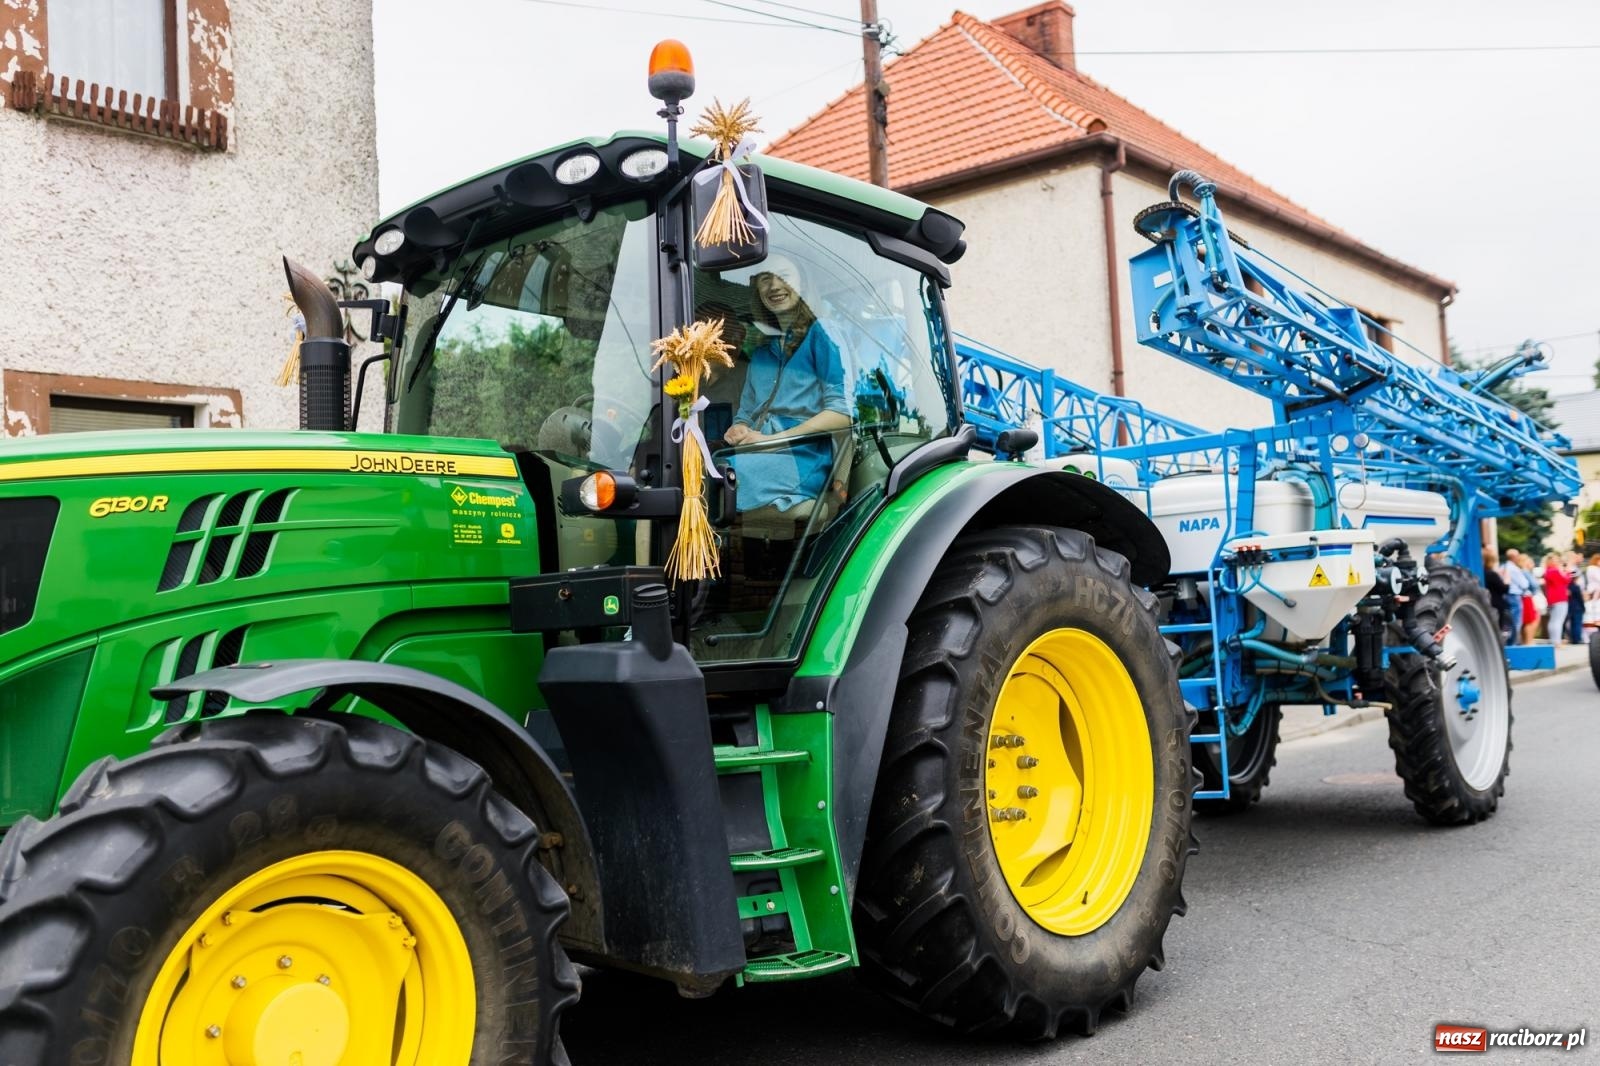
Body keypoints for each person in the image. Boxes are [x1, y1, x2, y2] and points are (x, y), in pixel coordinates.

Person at [724, 252, 852, 516]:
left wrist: (774, 440)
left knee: (721, 480)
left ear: (802, 283)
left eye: (784, 276)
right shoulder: (760, 354)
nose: (774, 285)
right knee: (691, 472)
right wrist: (739, 428)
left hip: (802, 457)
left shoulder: (823, 332)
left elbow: (842, 413)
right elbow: (745, 413)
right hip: (757, 454)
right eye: (764, 279)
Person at [1482, 547, 1511, 644]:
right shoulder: (1491, 574)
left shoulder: (1481, 573)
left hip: (1488, 603)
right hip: (1497, 605)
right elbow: (1503, 589)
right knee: (1501, 630)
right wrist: (1507, 580)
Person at [1565, 551, 1587, 644]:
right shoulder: (1570, 568)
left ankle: (1574, 638)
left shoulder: (1571, 568)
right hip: (1575, 599)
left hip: (1573, 598)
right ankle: (1576, 638)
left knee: (1573, 622)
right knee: (1576, 622)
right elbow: (1571, 577)